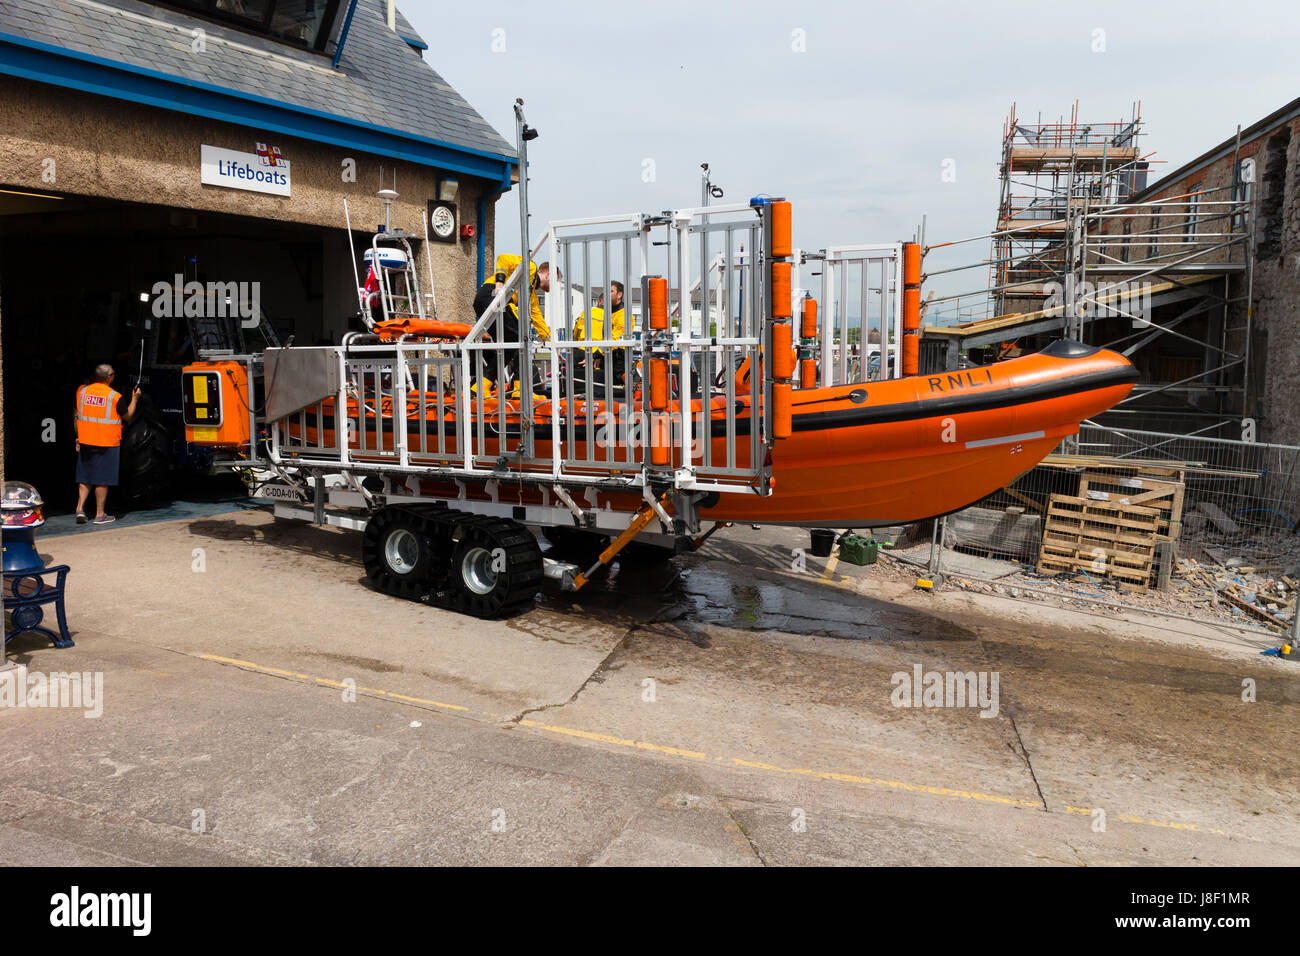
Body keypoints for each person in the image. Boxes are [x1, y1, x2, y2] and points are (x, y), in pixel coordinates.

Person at [471, 255, 557, 391]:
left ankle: (481, 385)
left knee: (510, 346)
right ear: (548, 274)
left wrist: (551, 342)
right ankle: (519, 389)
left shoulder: (531, 294)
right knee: (523, 337)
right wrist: (500, 281)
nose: (555, 286)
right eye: (555, 280)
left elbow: (537, 318)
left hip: (486, 301)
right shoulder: (531, 267)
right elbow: (504, 259)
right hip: (493, 295)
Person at [73, 364, 139, 525]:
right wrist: (135, 399)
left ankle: (80, 509)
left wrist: (78, 437)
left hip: (86, 440)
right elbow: (128, 416)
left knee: (85, 477)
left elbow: (77, 414)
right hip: (107, 442)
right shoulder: (115, 397)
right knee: (102, 480)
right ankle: (100, 514)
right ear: (109, 377)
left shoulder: (82, 391)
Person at [573, 281, 629, 387]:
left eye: (611, 291)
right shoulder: (606, 313)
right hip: (604, 360)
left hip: (617, 365)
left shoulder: (624, 315)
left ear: (619, 295)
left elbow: (615, 339)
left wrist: (595, 355)